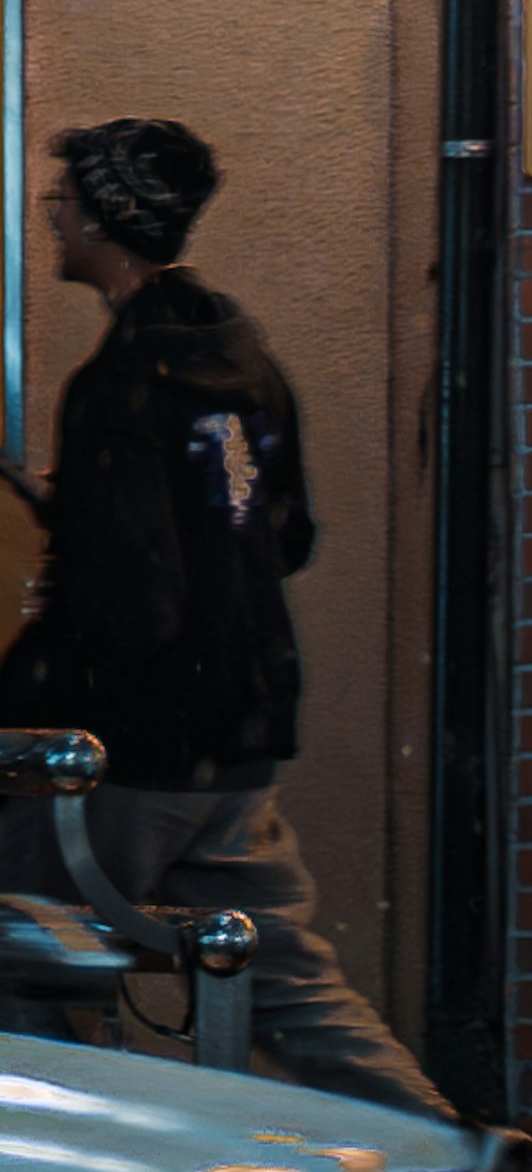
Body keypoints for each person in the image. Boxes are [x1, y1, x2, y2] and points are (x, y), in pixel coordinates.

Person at [0, 120, 456, 1119]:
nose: (54, 219)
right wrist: (78, 508)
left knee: (23, 959)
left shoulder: (119, 382)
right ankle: (449, 1155)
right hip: (239, 729)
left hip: (138, 745)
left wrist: (24, 693)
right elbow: (265, 530)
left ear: (107, 221)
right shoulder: (235, 350)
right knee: (286, 981)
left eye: (65, 203)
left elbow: (131, 597)